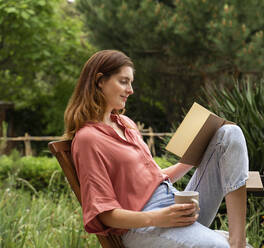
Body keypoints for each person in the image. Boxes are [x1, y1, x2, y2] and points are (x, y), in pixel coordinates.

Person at [64, 50, 249, 248]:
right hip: (144, 226)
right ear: (100, 81)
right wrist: (157, 218)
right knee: (219, 247)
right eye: (124, 81)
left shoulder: (125, 124)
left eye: (131, 82)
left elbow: (152, 178)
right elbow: (105, 214)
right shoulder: (88, 139)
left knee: (230, 133)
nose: (131, 90)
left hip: (174, 206)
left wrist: (191, 156)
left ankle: (237, 240)